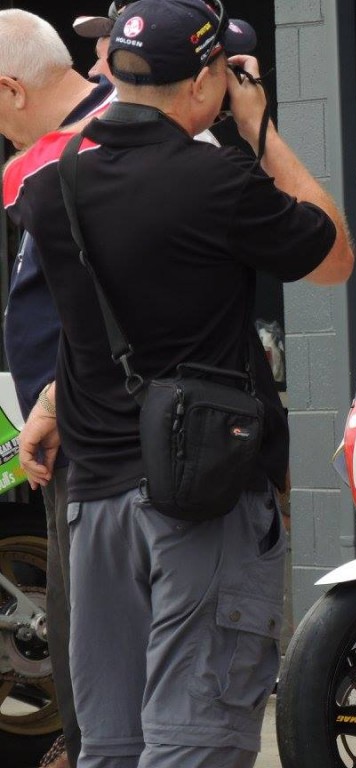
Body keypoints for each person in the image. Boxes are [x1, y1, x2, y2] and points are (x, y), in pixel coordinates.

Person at [3, 1, 353, 767]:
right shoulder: (218, 182)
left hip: (95, 502)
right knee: (194, 741)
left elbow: (97, 321)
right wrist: (259, 128)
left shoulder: (49, 188)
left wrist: (53, 401)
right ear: (204, 83)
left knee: (112, 745)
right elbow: (333, 256)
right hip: (202, 496)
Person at [0, 10, 116, 767]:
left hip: (97, 432)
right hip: (70, 427)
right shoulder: (70, 140)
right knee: (80, 628)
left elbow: (115, 296)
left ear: (8, 89)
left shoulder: (100, 140)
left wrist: (56, 400)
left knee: (96, 636)